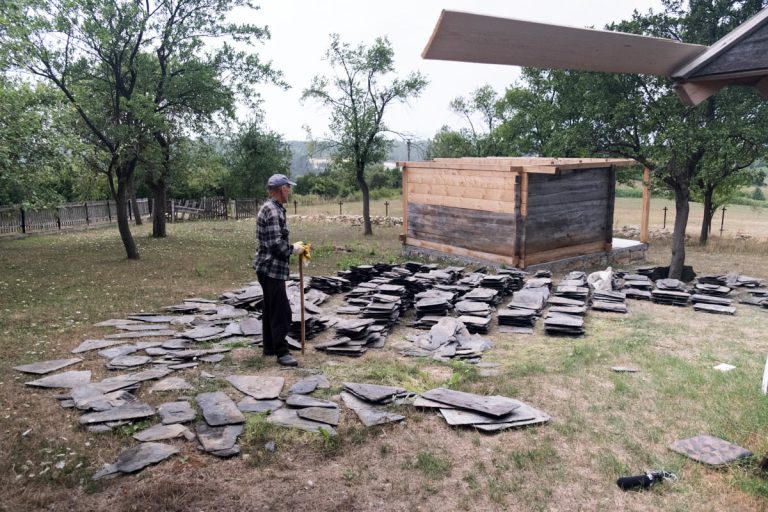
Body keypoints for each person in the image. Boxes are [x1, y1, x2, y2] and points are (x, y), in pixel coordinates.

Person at [253, 173, 304, 367]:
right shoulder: (272, 211)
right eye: (288, 187)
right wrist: (293, 250)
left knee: (270, 307)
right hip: (270, 268)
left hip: (267, 268)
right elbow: (275, 244)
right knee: (281, 310)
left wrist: (291, 245)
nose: (289, 191)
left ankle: (270, 346)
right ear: (281, 188)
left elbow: (276, 239)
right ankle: (282, 352)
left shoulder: (273, 208)